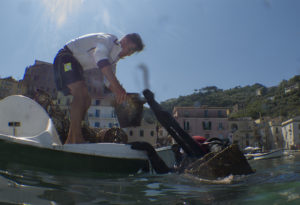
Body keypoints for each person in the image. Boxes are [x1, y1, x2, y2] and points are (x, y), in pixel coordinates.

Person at [53, 33, 144, 144]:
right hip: (66, 57)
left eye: (132, 52)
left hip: (76, 65)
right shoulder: (107, 40)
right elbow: (100, 58)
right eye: (130, 49)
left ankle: (71, 140)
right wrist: (118, 87)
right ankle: (77, 139)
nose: (129, 54)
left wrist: (121, 95)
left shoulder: (113, 59)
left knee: (86, 100)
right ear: (124, 41)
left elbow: (107, 81)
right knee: (80, 94)